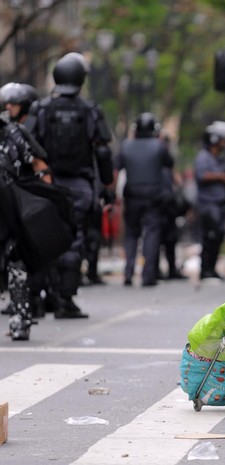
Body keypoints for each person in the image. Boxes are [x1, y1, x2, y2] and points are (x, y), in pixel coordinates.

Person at [25, 52, 114, 318]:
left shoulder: (40, 109)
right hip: (79, 187)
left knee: (41, 240)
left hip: (46, 184)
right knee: (74, 242)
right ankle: (65, 300)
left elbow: (27, 145)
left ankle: (38, 299)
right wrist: (106, 185)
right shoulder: (90, 110)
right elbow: (102, 152)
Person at [1, 94, 52, 340]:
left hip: (12, 204)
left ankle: (20, 320)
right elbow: (41, 166)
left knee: (16, 259)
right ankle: (20, 320)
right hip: (13, 204)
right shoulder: (14, 132)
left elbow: (40, 165)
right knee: (16, 260)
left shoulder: (14, 132)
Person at [113, 113, 173, 287]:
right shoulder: (159, 146)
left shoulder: (126, 146)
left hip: (131, 195)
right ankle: (148, 275)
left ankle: (128, 272)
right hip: (154, 196)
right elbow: (169, 163)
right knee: (151, 234)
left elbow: (115, 170)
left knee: (131, 234)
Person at [194, 121, 225, 280]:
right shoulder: (203, 157)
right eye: (222, 140)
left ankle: (212, 269)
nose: (224, 143)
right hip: (208, 204)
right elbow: (201, 176)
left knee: (218, 237)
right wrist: (221, 177)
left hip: (220, 204)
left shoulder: (219, 159)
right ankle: (205, 271)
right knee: (209, 237)